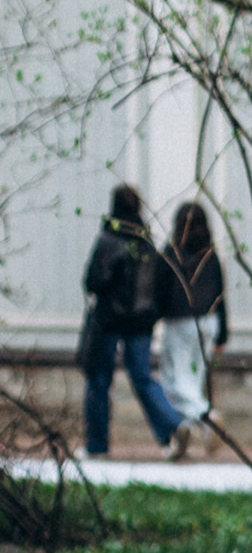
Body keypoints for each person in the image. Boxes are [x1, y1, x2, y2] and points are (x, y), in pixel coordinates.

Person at [77, 183, 183, 459]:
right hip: (141, 322)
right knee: (143, 376)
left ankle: (96, 444)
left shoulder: (109, 240)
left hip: (109, 321)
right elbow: (160, 284)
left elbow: (93, 281)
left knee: (99, 380)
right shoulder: (146, 242)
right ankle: (172, 426)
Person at [157, 201, 229, 458]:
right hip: (209, 321)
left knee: (173, 381)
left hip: (180, 321)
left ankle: (204, 415)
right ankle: (183, 432)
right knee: (193, 381)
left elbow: (160, 291)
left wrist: (154, 317)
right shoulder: (211, 255)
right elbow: (221, 295)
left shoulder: (171, 253)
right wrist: (223, 335)